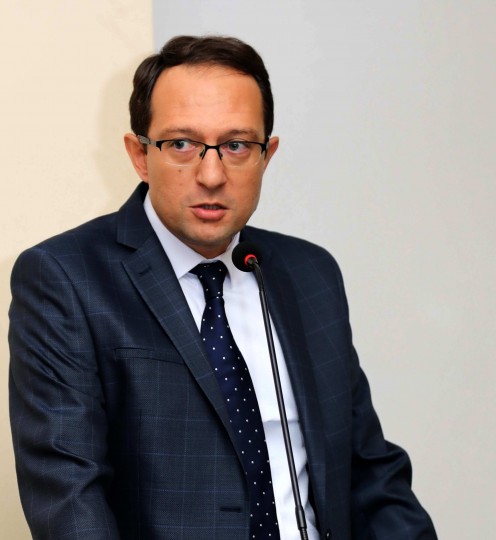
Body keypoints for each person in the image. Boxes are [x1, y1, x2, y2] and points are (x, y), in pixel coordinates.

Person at [9, 35, 437, 540]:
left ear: (266, 155)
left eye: (236, 146)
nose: (211, 175)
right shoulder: (65, 277)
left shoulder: (310, 273)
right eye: (182, 144)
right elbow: (69, 498)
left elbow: (369, 472)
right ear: (140, 154)